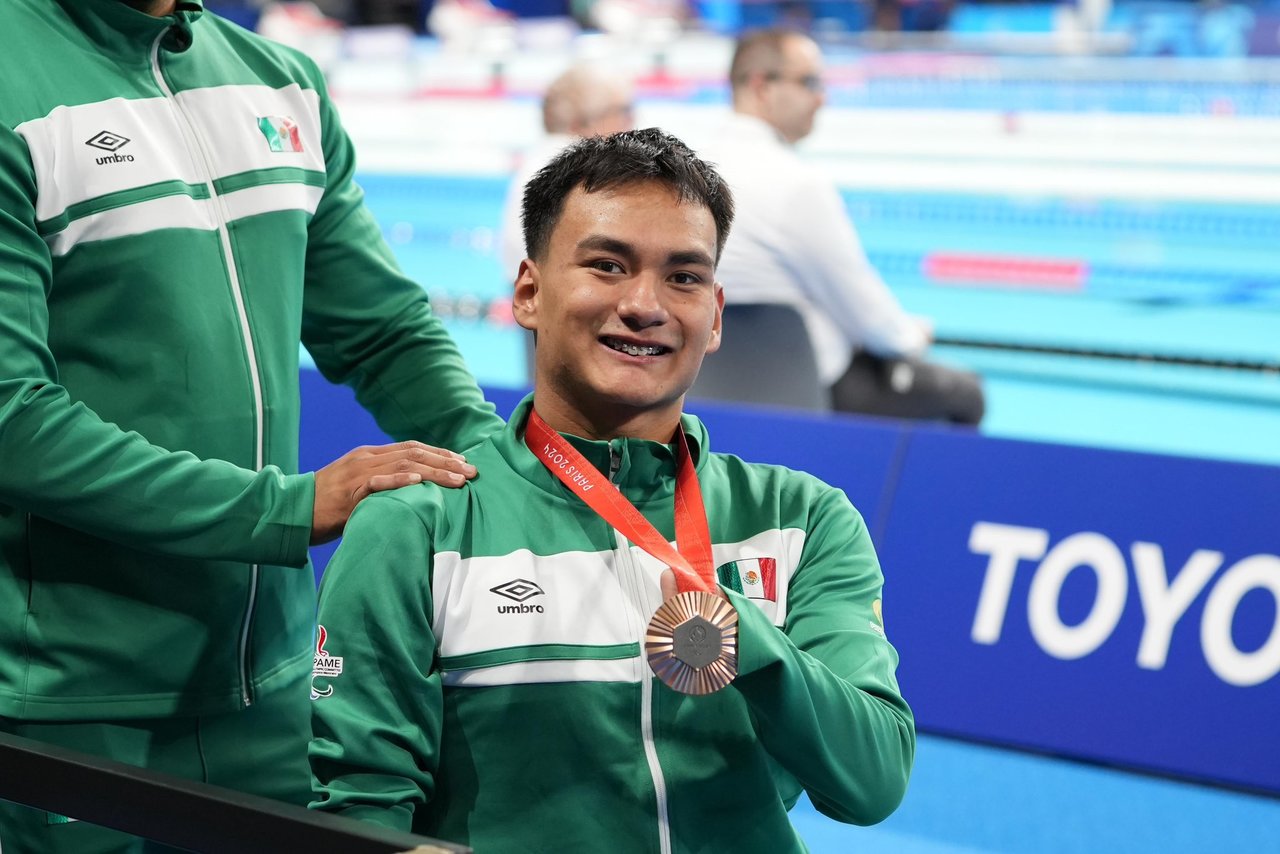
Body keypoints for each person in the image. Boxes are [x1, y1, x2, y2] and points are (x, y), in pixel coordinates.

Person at [309, 128, 915, 852]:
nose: (645, 304)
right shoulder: (420, 525)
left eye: (684, 278)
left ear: (715, 316)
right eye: (607, 266)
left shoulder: (801, 519)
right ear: (529, 293)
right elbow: (363, 812)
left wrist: (743, 639)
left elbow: (873, 782)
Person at [0, 1, 503, 850]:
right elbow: (12, 420)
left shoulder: (281, 82)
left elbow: (382, 330)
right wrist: (288, 510)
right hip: (69, 706)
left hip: (278, 692)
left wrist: (507, 470)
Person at [703, 29, 985, 424]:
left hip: (708, 388)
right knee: (967, 394)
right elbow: (868, 314)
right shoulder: (796, 183)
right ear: (761, 86)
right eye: (809, 82)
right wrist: (911, 336)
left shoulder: (691, 169)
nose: (822, 98)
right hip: (811, 388)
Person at [498, 62, 636, 279]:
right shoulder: (585, 168)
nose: (632, 122)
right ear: (581, 124)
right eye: (624, 111)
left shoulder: (537, 160)